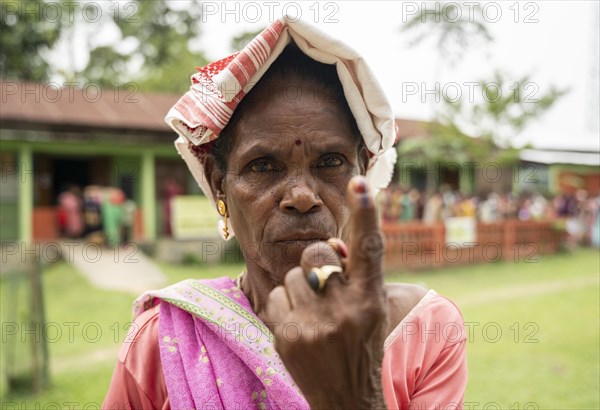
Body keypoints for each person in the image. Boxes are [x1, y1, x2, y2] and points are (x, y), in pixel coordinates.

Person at [103, 18, 467, 409]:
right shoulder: (162, 342)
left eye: (330, 161)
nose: (301, 196)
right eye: (262, 166)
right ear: (218, 183)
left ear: (362, 171)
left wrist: (352, 396)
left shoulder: (425, 330)